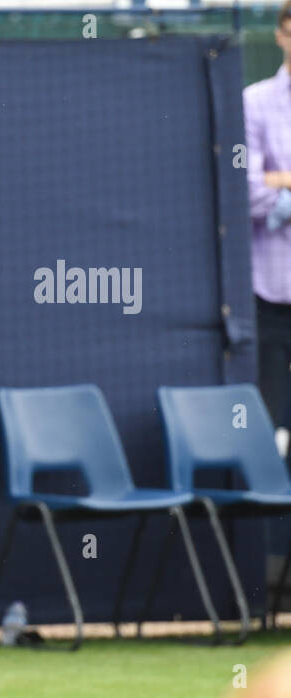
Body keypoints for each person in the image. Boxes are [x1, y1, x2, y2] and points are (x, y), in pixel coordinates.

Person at [245, 0, 291, 457]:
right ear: (280, 36)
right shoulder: (255, 101)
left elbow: (265, 184)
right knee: (271, 428)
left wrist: (280, 180)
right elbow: (249, 190)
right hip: (272, 294)